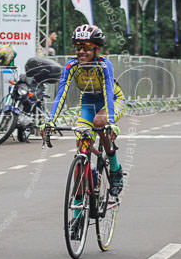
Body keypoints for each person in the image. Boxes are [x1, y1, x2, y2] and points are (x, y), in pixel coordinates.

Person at [41, 25, 126, 199]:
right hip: (88, 103)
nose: (81, 51)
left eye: (86, 47)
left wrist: (110, 122)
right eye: (78, 47)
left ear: (97, 49)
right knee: (81, 148)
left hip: (112, 101)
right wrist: (50, 121)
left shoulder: (104, 65)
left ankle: (115, 167)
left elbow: (108, 93)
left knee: (99, 123)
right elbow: (61, 94)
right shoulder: (72, 65)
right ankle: (79, 209)